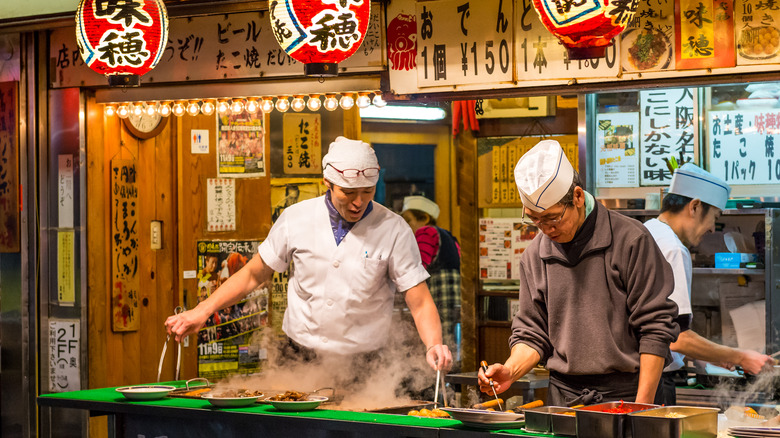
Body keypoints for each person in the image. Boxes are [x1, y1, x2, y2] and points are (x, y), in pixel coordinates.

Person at [165, 136, 452, 373]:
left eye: (367, 191)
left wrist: (433, 344)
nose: (359, 202)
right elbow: (253, 275)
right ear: (327, 182)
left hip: (366, 364)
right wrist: (201, 311)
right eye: (348, 192)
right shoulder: (296, 217)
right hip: (300, 355)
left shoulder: (394, 228)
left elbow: (419, 300)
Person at [478, 139, 679, 406]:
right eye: (534, 219)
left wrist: (641, 408)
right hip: (564, 399)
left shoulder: (631, 240)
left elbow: (655, 328)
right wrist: (510, 371)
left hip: (628, 394)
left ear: (578, 197)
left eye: (552, 218)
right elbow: (532, 332)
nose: (545, 229)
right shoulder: (534, 255)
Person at [644, 163, 774, 405]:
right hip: (656, 382)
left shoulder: (648, 231)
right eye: (714, 217)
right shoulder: (673, 248)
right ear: (694, 206)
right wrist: (741, 356)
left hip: (637, 379)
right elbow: (676, 337)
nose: (713, 228)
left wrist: (711, 355)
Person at [400, 196, 461, 361]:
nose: (406, 225)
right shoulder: (448, 235)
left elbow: (418, 266)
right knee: (448, 340)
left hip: (438, 293)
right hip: (455, 295)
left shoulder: (425, 231)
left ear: (424, 218)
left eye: (408, 220)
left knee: (435, 340)